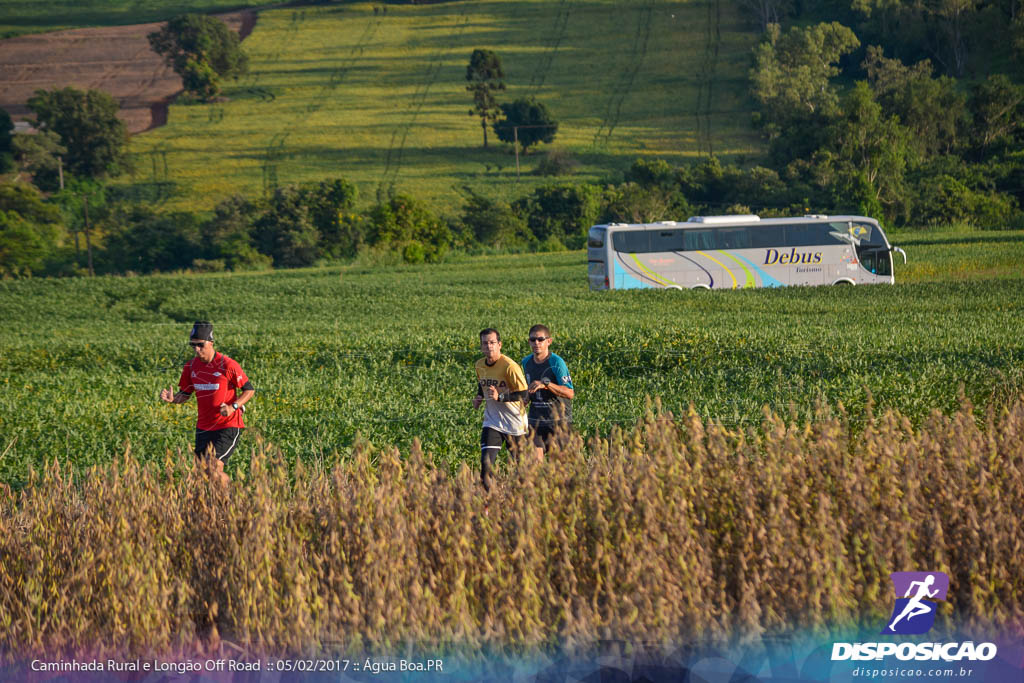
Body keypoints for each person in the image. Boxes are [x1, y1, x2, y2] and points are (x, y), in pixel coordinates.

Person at [159, 321, 255, 484]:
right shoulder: (191, 366)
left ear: (211, 342)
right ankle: (219, 506)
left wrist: (234, 407)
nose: (196, 349)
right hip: (203, 427)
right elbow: (185, 394)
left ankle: (235, 498)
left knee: (213, 470)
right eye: (193, 345)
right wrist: (173, 398)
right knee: (202, 474)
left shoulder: (227, 365)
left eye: (200, 345)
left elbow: (249, 390)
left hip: (228, 425)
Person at [473, 328, 529, 492]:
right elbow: (482, 382)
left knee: (522, 470)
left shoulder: (510, 366)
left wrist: (501, 398)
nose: (489, 346)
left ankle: (523, 503)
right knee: (486, 466)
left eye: (492, 343)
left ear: (500, 344)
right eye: (485, 343)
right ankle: (488, 508)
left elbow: (524, 394)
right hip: (492, 422)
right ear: (481, 346)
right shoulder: (479, 365)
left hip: (515, 424)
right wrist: (479, 397)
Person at [521, 324, 575, 458]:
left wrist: (546, 384)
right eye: (533, 340)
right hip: (535, 420)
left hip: (558, 421)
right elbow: (528, 389)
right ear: (529, 341)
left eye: (540, 339)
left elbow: (569, 393)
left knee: (557, 467)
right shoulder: (526, 362)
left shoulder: (556, 362)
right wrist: (524, 399)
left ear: (549, 341)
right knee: (534, 463)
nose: (536, 343)